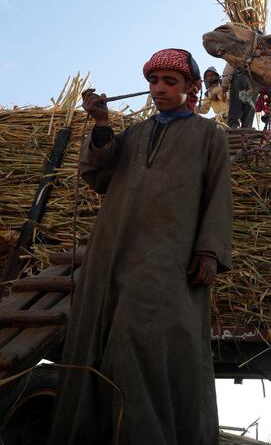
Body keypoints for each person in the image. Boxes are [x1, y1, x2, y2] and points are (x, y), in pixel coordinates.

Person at [49, 48, 233, 445]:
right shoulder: (133, 136)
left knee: (144, 341)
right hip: (112, 252)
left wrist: (209, 251)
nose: (159, 89)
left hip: (169, 259)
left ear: (192, 88)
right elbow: (97, 177)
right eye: (154, 81)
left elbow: (219, 196)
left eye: (170, 81)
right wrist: (101, 124)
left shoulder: (208, 137)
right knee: (98, 340)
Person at [222, 63, 255, 128]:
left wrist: (225, 85)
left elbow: (230, 65)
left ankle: (234, 129)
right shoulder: (258, 54)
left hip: (239, 79)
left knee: (235, 110)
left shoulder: (238, 53)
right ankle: (246, 131)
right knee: (248, 113)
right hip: (254, 82)